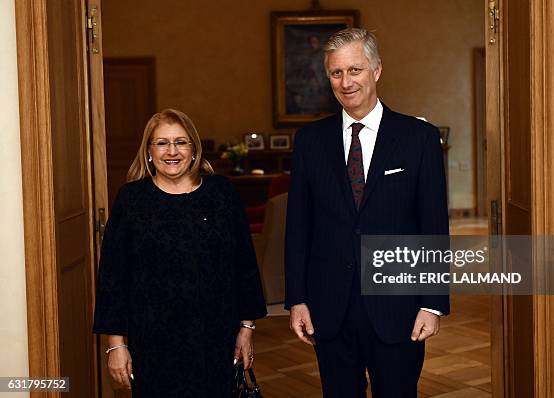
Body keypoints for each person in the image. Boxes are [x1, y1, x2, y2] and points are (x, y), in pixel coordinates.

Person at [284, 28, 449, 397]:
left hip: (399, 309)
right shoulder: (310, 141)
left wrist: (433, 304)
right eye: (336, 73)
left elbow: (433, 226)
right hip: (330, 307)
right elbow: (298, 227)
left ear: (376, 71)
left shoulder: (418, 138)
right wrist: (297, 299)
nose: (346, 82)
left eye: (354, 70)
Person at [93, 109, 267, 397]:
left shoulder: (222, 193)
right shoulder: (131, 199)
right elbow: (113, 276)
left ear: (194, 149)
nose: (171, 151)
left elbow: (244, 265)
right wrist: (116, 344)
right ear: (149, 151)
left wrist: (246, 328)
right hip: (151, 341)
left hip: (215, 337)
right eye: (161, 143)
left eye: (181, 142)